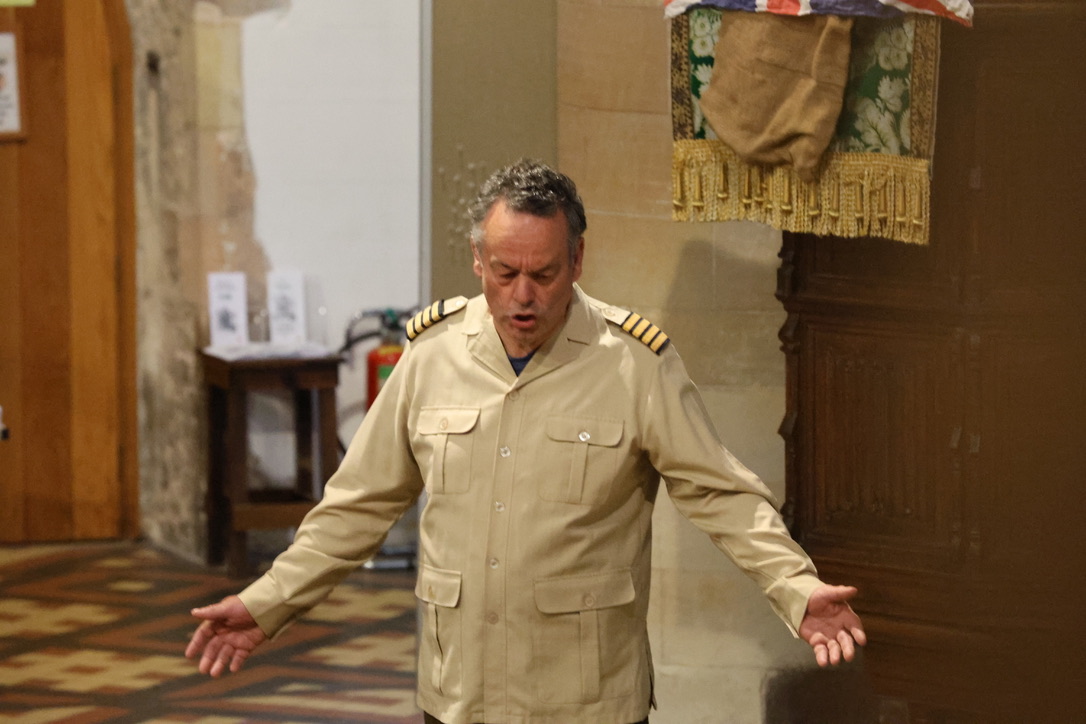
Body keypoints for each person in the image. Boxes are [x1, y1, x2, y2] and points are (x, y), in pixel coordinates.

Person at [186, 159, 865, 724]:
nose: (522, 297)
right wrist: (266, 604)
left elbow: (722, 495)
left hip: (585, 701)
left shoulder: (634, 363)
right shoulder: (431, 355)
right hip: (461, 696)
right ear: (476, 260)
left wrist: (795, 585)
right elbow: (356, 507)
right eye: (504, 272)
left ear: (577, 261)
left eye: (542, 275)